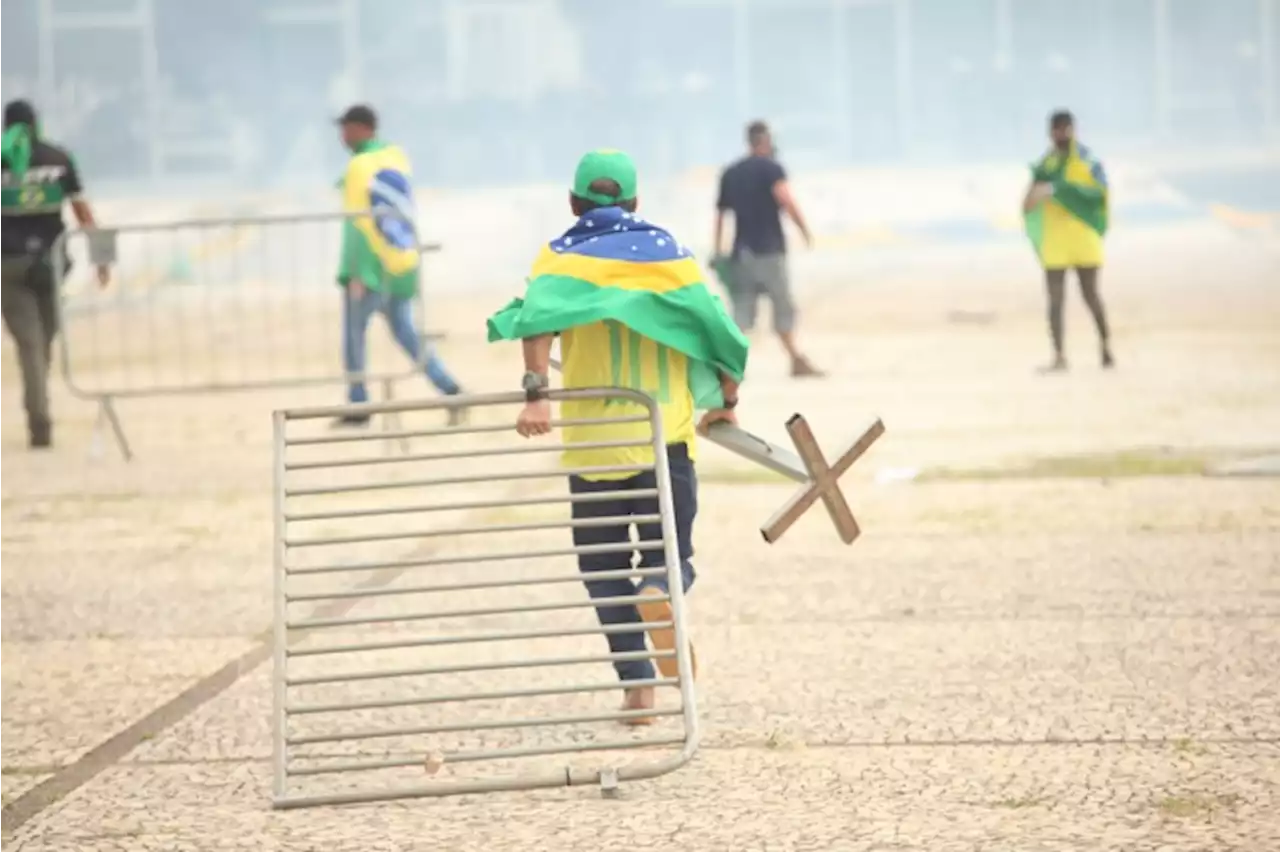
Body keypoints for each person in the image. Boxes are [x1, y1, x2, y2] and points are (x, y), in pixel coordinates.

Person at [487, 149, 749, 722]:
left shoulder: (561, 259)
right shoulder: (669, 258)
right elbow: (720, 333)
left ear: (574, 203)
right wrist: (725, 403)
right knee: (672, 554)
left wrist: (535, 397)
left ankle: (638, 688)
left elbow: (535, 321)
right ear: (635, 202)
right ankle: (658, 585)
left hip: (593, 441)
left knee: (603, 568)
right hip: (665, 437)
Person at [332, 104, 466, 427]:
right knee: (407, 334)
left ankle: (359, 404)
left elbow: (359, 226)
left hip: (372, 270)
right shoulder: (396, 157)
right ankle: (450, 388)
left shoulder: (360, 167)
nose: (342, 136)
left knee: (354, 337)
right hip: (402, 263)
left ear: (361, 128)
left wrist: (354, 272)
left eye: (346, 129)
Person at [0, 99, 109, 449]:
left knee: (34, 343)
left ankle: (37, 402)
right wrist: (102, 259)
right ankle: (40, 420)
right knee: (40, 340)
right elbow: (83, 212)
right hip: (50, 266)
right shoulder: (59, 158)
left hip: (8, 267)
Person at [713, 120, 823, 378]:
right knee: (782, 306)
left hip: (741, 254)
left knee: (742, 312)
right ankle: (796, 360)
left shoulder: (731, 172)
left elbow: (720, 216)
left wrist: (719, 251)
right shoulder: (772, 169)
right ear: (765, 141)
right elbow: (786, 199)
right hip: (770, 252)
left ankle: (728, 367)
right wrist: (804, 230)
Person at [1022, 110, 1114, 372]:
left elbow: (1099, 195)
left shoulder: (1088, 161)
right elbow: (1028, 203)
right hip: (1055, 242)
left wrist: (1059, 190)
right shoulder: (1045, 166)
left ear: (1073, 130)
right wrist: (1035, 197)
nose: (1061, 134)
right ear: (1050, 132)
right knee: (1055, 300)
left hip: (1083, 239)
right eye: (1057, 129)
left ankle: (1106, 347)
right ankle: (1059, 356)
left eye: (1065, 129)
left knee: (1091, 295)